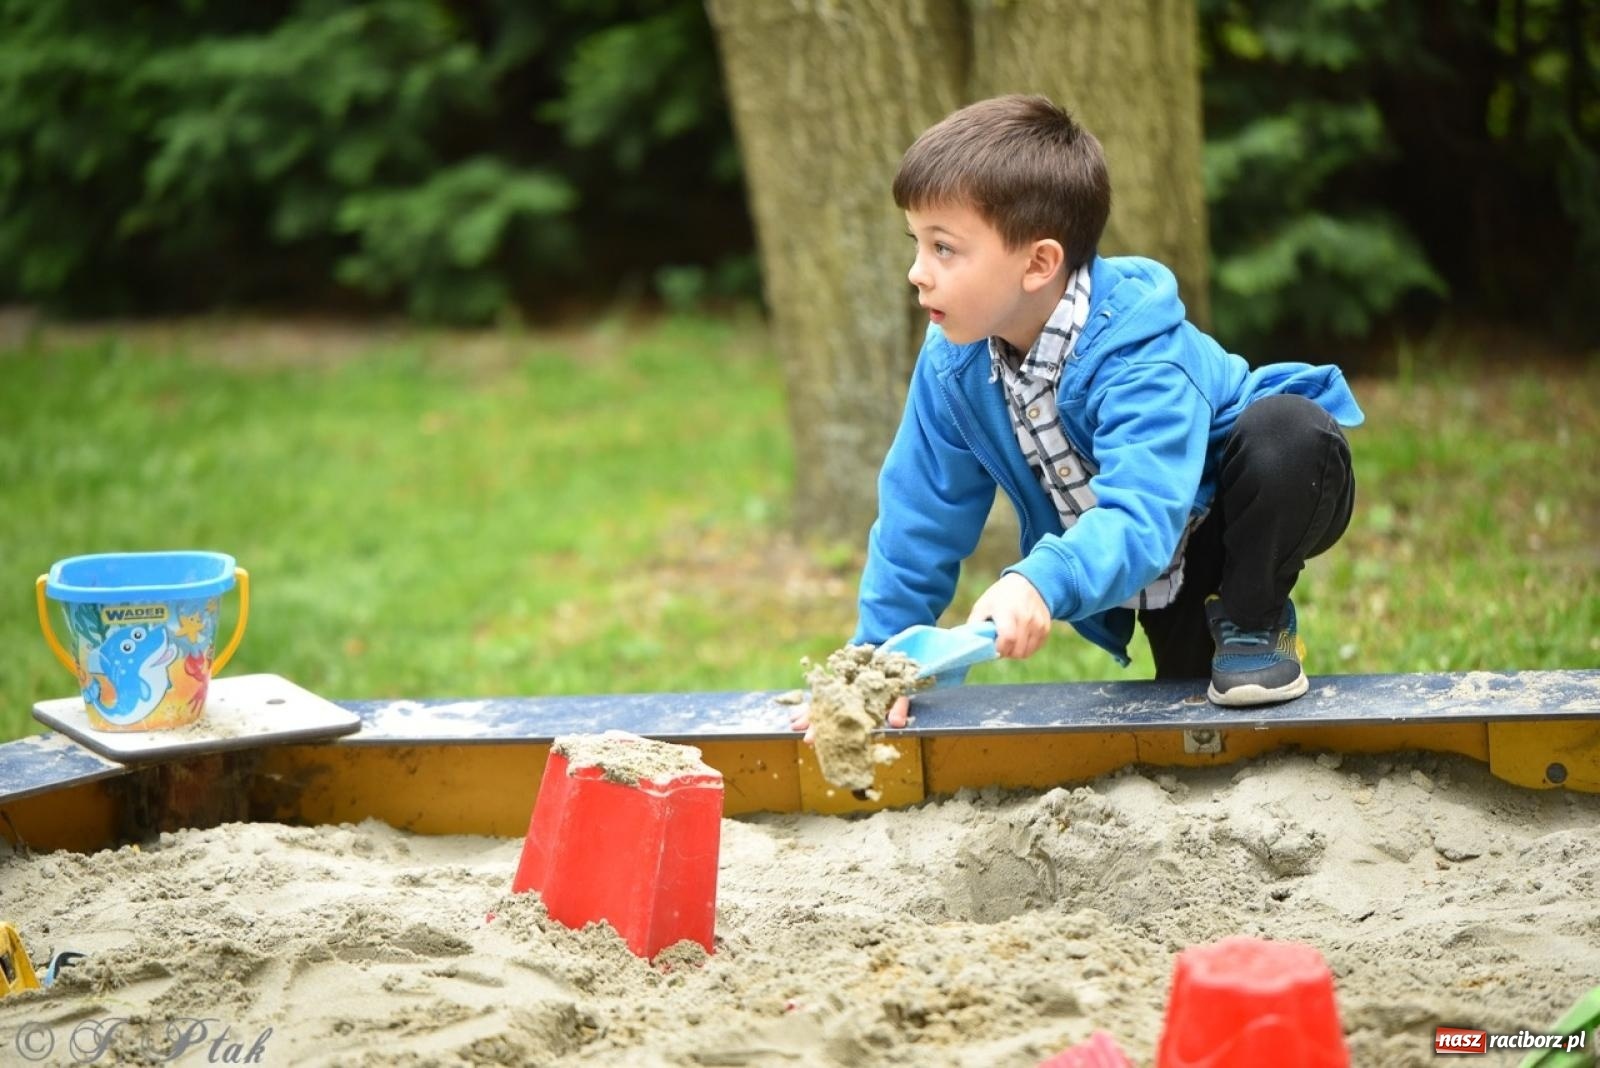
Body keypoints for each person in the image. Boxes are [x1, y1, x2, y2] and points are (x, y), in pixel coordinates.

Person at [793, 94, 1361, 735]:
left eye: (944, 248)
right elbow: (920, 516)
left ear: (1038, 263)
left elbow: (1144, 511)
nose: (916, 272)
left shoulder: (1139, 354)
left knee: (1287, 433)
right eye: (917, 243)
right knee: (1202, 718)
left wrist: (1039, 582)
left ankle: (1254, 618)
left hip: (1239, 502)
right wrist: (876, 660)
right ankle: (1213, 639)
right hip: (1154, 565)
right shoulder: (955, 362)